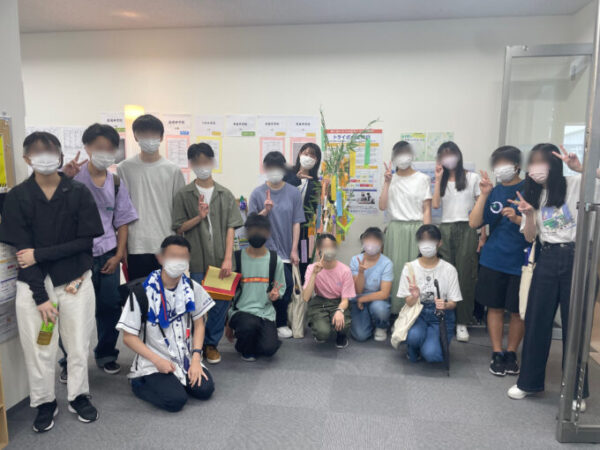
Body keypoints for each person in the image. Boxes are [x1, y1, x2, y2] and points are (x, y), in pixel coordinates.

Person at [0, 132, 104, 432]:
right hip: (34, 286)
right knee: (39, 348)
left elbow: (85, 242)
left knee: (78, 343)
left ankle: (78, 395)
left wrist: (41, 254)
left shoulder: (77, 192)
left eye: (50, 151)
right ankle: (44, 402)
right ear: (26, 158)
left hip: (75, 281)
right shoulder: (17, 197)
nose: (44, 157)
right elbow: (22, 254)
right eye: (36, 151)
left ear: (60, 155)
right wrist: (41, 298)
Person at [507, 143, 596, 407]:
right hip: (546, 257)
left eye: (541, 161)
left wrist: (581, 168)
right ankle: (528, 383)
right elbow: (530, 237)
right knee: (537, 321)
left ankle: (576, 392)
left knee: (575, 327)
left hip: (577, 258)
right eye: (532, 162)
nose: (535, 168)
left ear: (554, 163)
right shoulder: (533, 194)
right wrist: (528, 215)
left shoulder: (576, 183)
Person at [57, 123, 138, 381]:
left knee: (109, 307)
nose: (105, 152)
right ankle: (69, 361)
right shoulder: (71, 177)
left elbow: (122, 222)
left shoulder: (115, 182)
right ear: (87, 147)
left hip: (107, 255)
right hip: (76, 258)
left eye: (110, 148)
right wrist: (63, 178)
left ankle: (105, 354)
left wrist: (118, 255)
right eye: (99, 147)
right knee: (72, 311)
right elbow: (50, 206)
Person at [116, 236, 215, 412]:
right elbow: (129, 337)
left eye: (183, 257)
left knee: (205, 390)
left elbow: (199, 324)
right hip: (154, 360)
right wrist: (157, 360)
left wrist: (195, 359)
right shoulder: (141, 292)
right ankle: (138, 382)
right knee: (175, 401)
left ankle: (175, 380)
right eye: (173, 256)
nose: (178, 261)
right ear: (160, 258)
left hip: (184, 357)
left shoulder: (192, 288)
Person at [172, 143, 244, 365]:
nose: (202, 166)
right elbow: (179, 228)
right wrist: (199, 217)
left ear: (212, 162)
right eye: (197, 162)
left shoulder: (225, 194)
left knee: (220, 304)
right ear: (191, 164)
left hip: (221, 259)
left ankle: (211, 344)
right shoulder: (184, 194)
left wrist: (228, 258)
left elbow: (231, 227)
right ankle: (195, 345)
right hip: (196, 260)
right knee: (195, 304)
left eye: (205, 161)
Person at [469, 146, 528, 376]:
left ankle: (511, 352)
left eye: (505, 163)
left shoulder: (530, 189)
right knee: (494, 307)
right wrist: (484, 194)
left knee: (517, 311)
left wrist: (517, 219)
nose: (500, 168)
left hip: (521, 259)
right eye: (497, 164)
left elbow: (538, 225)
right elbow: (474, 222)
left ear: (517, 165)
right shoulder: (493, 191)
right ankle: (497, 352)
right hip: (493, 258)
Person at [117, 114, 185, 279]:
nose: (148, 138)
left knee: (168, 293)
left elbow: (180, 212)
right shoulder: (124, 168)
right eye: (143, 134)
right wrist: (122, 246)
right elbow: (121, 210)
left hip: (167, 244)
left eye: (153, 134)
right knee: (139, 293)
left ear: (161, 137)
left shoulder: (173, 170)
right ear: (135, 137)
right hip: (136, 245)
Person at [249, 151, 305, 339]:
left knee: (285, 286)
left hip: (286, 251)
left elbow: (296, 222)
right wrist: (265, 211)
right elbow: (251, 224)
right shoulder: (257, 193)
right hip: (263, 251)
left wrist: (294, 249)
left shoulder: (293, 192)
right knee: (264, 287)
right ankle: (265, 321)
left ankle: (280, 322)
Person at [432, 141, 480, 343]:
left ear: (458, 156)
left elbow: (480, 206)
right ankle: (445, 318)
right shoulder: (441, 180)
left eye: (451, 154)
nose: (448, 158)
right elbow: (435, 204)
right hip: (446, 228)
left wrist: (482, 235)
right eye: (444, 155)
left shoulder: (472, 177)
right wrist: (437, 179)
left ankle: (462, 322)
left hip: (468, 227)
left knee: (465, 276)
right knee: (445, 275)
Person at [378, 141, 432, 314]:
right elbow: (382, 206)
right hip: (396, 229)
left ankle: (416, 313)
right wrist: (387, 182)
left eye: (406, 152)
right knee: (395, 270)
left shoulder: (422, 179)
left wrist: (428, 236)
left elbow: (427, 209)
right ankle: (395, 313)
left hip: (417, 229)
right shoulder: (390, 179)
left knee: (417, 272)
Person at [397, 225, 462, 363]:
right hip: (418, 313)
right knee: (414, 337)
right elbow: (408, 302)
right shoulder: (410, 267)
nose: (426, 244)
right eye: (422, 240)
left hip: (440, 315)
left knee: (433, 355)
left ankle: (428, 345)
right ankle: (414, 346)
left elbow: (453, 302)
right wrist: (414, 296)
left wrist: (445, 304)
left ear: (440, 243)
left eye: (431, 240)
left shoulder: (449, 269)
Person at [226, 213, 286, 361]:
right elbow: (227, 292)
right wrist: (228, 323)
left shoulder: (274, 260)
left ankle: (250, 340)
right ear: (246, 232)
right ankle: (245, 344)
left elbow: (280, 288)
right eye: (253, 230)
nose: (257, 234)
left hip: (265, 313)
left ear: (268, 233)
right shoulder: (236, 258)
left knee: (269, 349)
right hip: (241, 311)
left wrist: (275, 295)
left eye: (261, 230)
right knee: (248, 325)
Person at [303, 234, 356, 348]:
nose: (329, 250)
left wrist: (340, 310)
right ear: (318, 249)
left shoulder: (345, 270)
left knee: (343, 324)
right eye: (326, 247)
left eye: (332, 247)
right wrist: (314, 274)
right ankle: (320, 328)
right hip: (320, 302)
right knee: (322, 333)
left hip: (338, 301)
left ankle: (341, 335)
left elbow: (345, 300)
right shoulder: (311, 268)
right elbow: (306, 297)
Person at [284, 143, 322, 281]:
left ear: (316, 160)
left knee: (303, 260)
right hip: (285, 226)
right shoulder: (288, 174)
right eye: (306, 153)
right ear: (300, 154)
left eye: (313, 155)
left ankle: (301, 290)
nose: (309, 157)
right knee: (285, 262)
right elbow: (279, 194)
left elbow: (316, 207)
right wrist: (296, 180)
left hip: (305, 230)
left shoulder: (316, 183)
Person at [349, 227, 393, 342]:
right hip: (359, 298)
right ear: (363, 242)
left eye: (375, 240)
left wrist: (362, 299)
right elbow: (358, 291)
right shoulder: (355, 260)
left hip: (378, 299)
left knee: (379, 309)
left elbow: (384, 294)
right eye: (369, 240)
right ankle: (368, 320)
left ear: (381, 244)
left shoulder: (386, 262)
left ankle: (381, 326)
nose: (371, 244)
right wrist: (361, 272)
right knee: (360, 336)